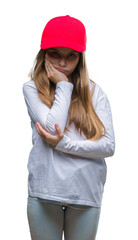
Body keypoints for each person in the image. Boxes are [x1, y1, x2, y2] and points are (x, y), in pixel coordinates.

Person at [22, 15, 115, 240]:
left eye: (71, 56)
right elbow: (52, 129)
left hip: (85, 192)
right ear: (44, 54)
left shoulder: (95, 93)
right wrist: (64, 85)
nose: (62, 64)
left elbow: (108, 146)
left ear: (80, 58)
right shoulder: (31, 89)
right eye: (55, 54)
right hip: (46, 191)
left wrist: (64, 144)